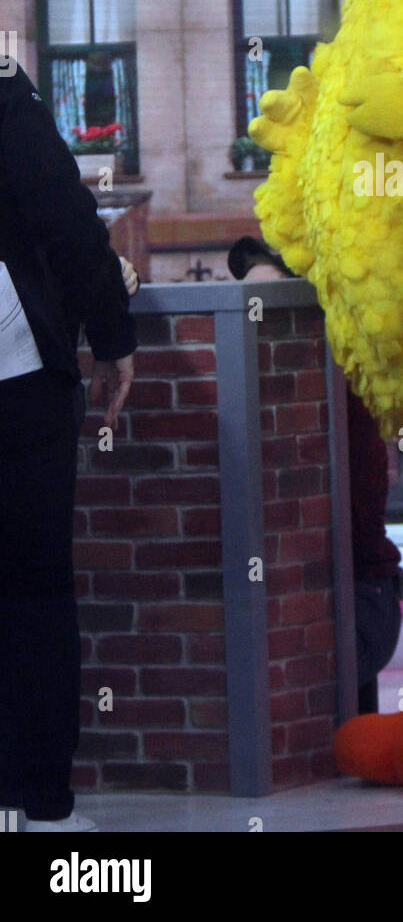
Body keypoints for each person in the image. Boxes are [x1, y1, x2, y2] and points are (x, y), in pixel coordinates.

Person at [0, 58, 138, 833]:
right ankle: (39, 807)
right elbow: (62, 216)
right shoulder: (3, 97)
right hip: (15, 375)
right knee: (33, 591)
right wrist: (113, 335)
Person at [229, 236, 403, 712]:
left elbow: (346, 518)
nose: (255, 325)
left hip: (358, 599)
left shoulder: (337, 399)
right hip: (333, 602)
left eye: (271, 312)